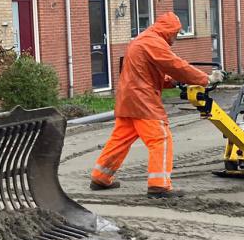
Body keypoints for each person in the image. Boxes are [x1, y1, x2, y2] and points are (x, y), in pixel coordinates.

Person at [90, 12, 223, 198]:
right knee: (161, 139)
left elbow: (149, 72)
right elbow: (175, 65)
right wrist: (205, 78)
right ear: (169, 31)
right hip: (143, 100)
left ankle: (100, 177)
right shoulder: (154, 42)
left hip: (128, 99)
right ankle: (159, 185)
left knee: (120, 140)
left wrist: (174, 82)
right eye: (176, 34)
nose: (175, 39)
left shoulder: (142, 40)